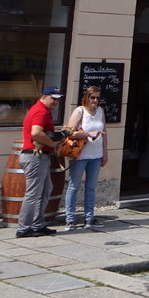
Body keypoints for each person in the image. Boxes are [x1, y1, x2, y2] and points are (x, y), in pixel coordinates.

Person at [17, 86, 64, 238]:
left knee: (45, 190)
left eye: (57, 99)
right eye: (53, 98)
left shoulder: (42, 110)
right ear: (44, 96)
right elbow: (36, 132)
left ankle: (37, 225)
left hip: (39, 156)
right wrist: (52, 144)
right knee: (33, 194)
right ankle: (23, 229)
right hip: (35, 156)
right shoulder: (41, 111)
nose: (56, 102)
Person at [63, 86, 107, 229]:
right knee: (74, 186)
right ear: (86, 97)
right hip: (80, 154)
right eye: (92, 97)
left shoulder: (100, 111)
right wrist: (89, 134)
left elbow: (104, 132)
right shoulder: (80, 111)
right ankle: (70, 219)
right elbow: (68, 133)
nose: (95, 100)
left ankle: (89, 218)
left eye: (98, 98)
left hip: (96, 154)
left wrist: (105, 152)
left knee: (91, 187)